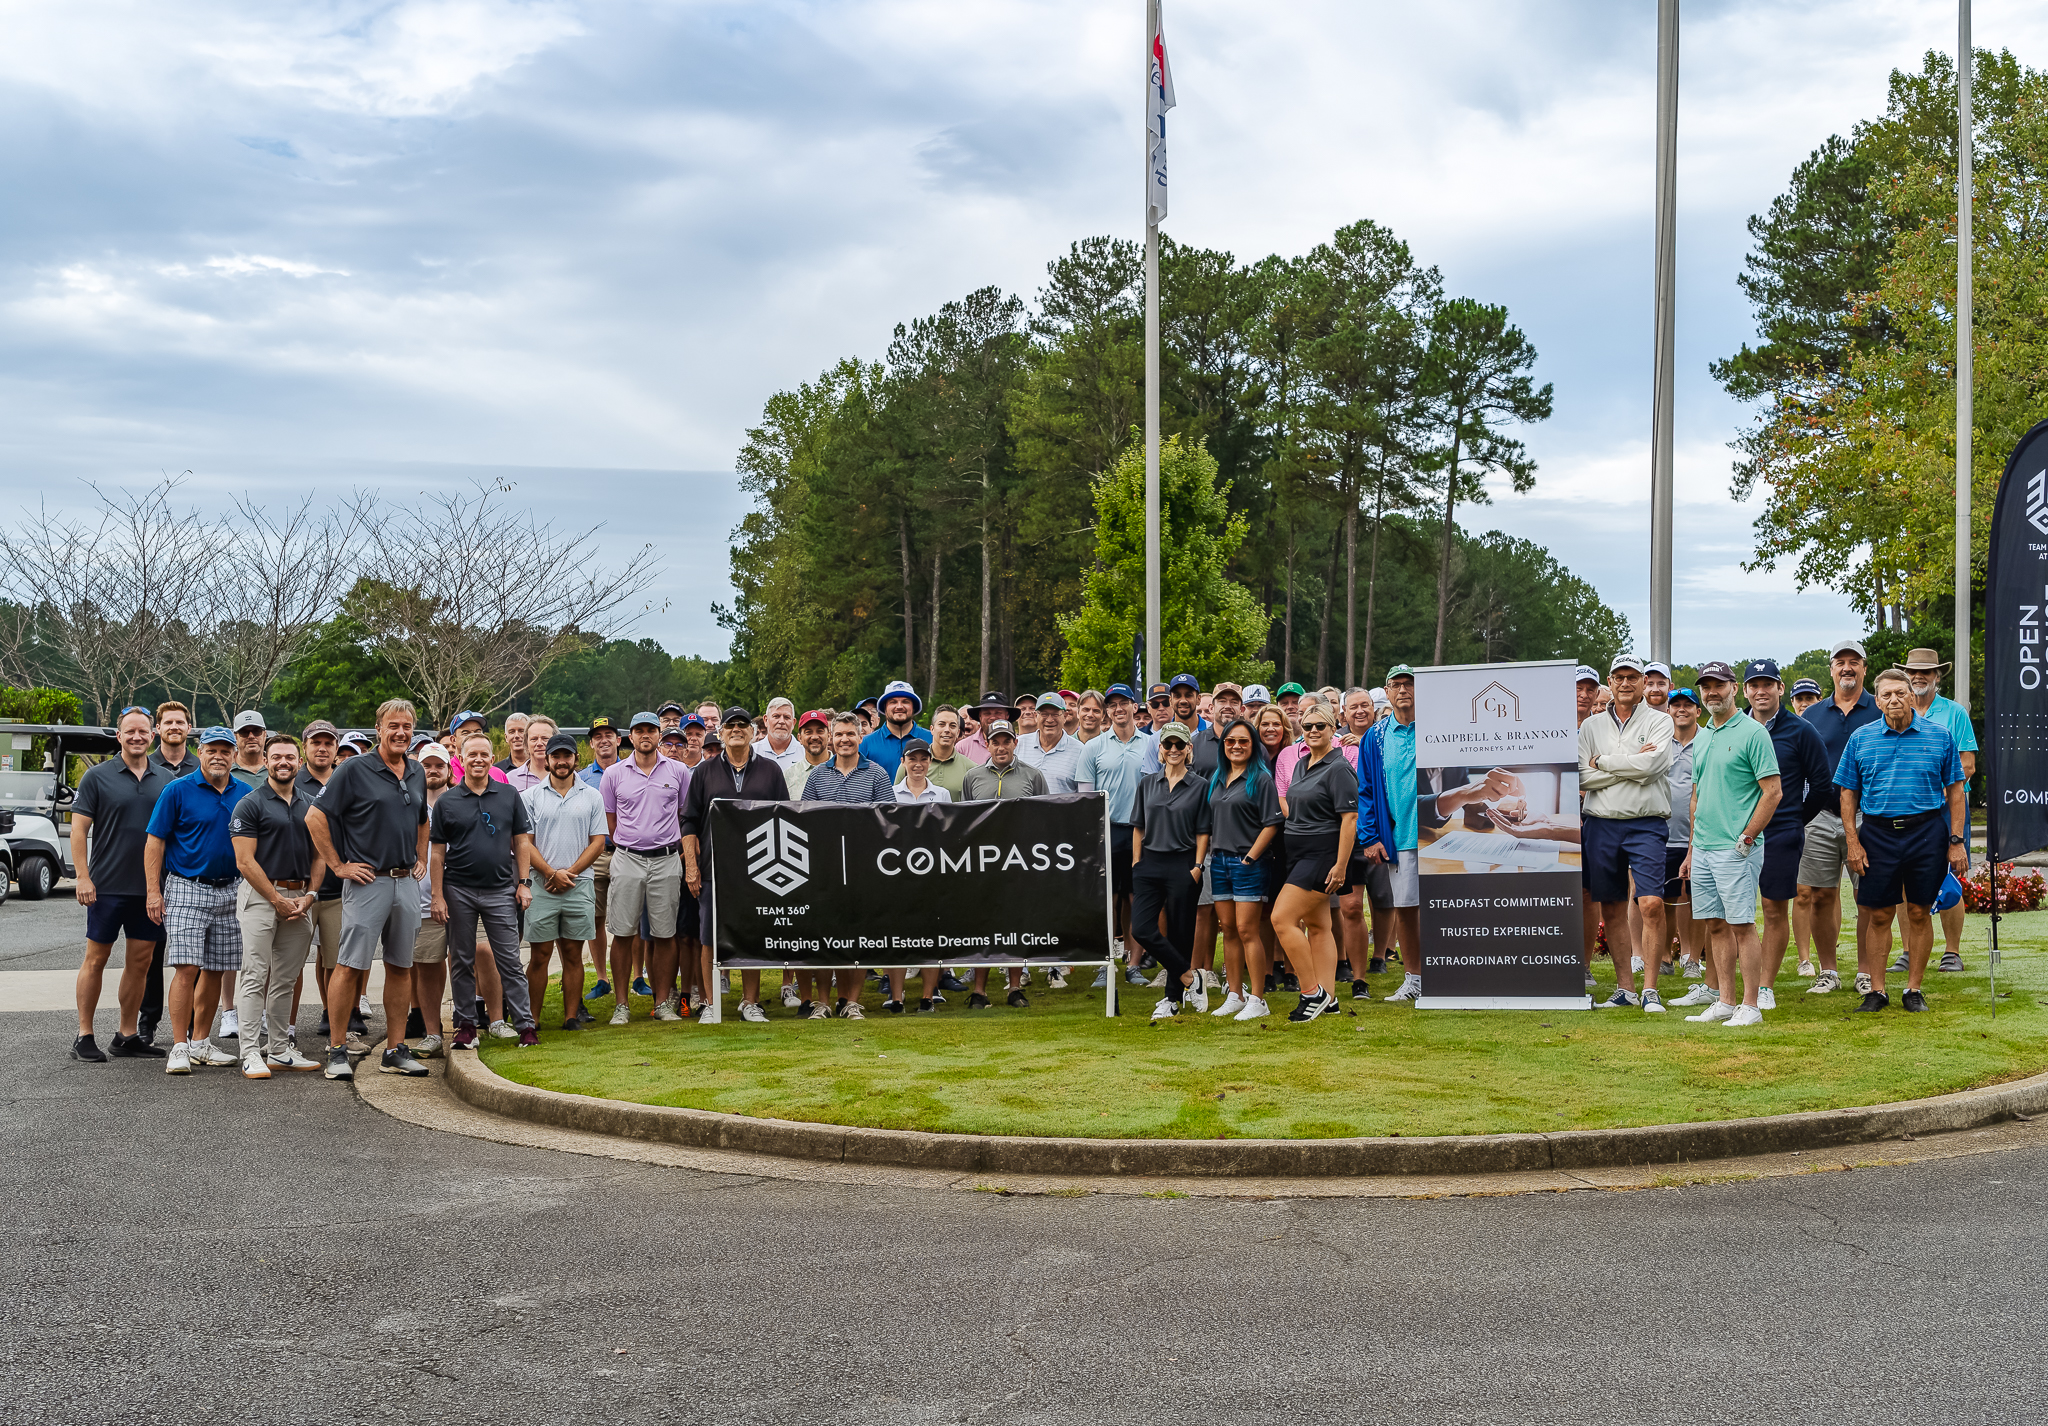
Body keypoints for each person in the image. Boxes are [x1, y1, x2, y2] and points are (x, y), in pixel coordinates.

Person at [303, 699, 431, 1081]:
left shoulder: (417, 770)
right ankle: (338, 1049)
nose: (400, 733)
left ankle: (394, 1049)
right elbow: (314, 817)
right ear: (379, 729)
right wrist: (339, 865)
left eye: (407, 726)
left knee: (401, 966)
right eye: (393, 725)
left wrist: (419, 855)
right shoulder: (355, 769)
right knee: (349, 966)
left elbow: (423, 818)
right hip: (367, 881)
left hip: (406, 881)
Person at [1836, 668, 1969, 1013]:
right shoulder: (1861, 739)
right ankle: (1877, 992)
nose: (1894, 699)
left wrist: (1956, 841)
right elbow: (1848, 793)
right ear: (1877, 700)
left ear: (1911, 696)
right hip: (1877, 833)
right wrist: (1853, 841)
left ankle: (1913, 989)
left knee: (1919, 911)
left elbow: (1956, 792)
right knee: (1879, 914)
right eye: (1886, 695)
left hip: (1927, 832)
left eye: (1900, 693)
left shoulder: (1939, 736)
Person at [1680, 663, 1783, 1027]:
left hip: (1736, 848)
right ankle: (1725, 1001)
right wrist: (1692, 851)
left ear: (1733, 689)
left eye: (1718, 686)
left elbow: (1773, 793)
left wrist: (1747, 838)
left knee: (1742, 925)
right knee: (1715, 925)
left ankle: (1751, 1005)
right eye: (1706, 687)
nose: (1712, 693)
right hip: (1705, 848)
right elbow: (1696, 798)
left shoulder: (1753, 733)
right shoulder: (1703, 734)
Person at [69, 706, 175, 1061]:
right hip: (106, 887)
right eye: (129, 731)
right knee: (96, 959)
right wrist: (82, 877)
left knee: (141, 962)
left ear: (152, 735)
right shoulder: (97, 777)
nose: (136, 737)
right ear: (119, 736)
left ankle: (127, 1035)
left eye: (143, 731)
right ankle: (84, 1035)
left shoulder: (166, 780)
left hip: (150, 890)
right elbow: (79, 831)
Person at [143, 726, 247, 1074]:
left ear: (234, 754)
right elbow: (155, 841)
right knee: (186, 967)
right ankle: (179, 1046)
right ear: (199, 752)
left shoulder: (244, 793)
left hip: (232, 889)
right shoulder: (177, 790)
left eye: (225, 750)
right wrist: (154, 892)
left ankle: (202, 1042)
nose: (218, 756)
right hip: (187, 886)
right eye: (211, 750)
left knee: (217, 968)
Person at [1577, 654, 1674, 1011]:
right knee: (1612, 908)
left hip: (1645, 822)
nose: (1626, 683)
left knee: (1650, 903)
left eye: (1634, 677)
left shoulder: (1660, 722)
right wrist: (1632, 763)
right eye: (1619, 677)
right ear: (1610, 681)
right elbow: (1581, 777)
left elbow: (1652, 768)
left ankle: (1651, 990)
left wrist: (1602, 761)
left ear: (1643, 682)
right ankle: (1626, 990)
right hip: (1601, 823)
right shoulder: (1590, 727)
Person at [681, 707, 790, 1022]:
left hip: (759, 870)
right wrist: (692, 866)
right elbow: (688, 822)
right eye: (731, 725)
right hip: (714, 868)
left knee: (750, 936)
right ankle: (710, 1004)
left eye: (743, 725)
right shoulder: (704, 772)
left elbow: (783, 818)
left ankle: (751, 1002)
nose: (737, 729)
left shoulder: (770, 771)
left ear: (754, 732)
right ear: (721, 733)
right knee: (708, 937)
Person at [432, 732, 538, 1048]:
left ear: (492, 760)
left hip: (500, 890)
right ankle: (465, 1026)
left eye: (484, 755)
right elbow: (437, 852)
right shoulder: (447, 801)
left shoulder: (508, 795)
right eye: (471, 755)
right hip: (458, 890)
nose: (478, 760)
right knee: (461, 959)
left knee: (509, 960)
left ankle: (525, 1026)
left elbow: (521, 841)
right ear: (461, 761)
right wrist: (437, 895)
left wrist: (524, 883)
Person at [229, 733, 325, 1076]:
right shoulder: (250, 803)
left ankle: (280, 1049)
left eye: (290, 757)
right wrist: (275, 899)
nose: (284, 762)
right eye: (277, 757)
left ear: (299, 762)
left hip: (301, 899)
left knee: (286, 979)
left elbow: (320, 856)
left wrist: (310, 896)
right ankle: (251, 1051)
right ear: (266, 761)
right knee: (255, 975)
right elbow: (244, 861)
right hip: (262, 897)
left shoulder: (311, 804)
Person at [1743, 659, 1832, 1007]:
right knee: (1731, 911)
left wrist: (1795, 819)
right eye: (1754, 685)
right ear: (1745, 690)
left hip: (1780, 833)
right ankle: (1724, 989)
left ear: (1781, 688)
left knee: (1773, 908)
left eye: (1768, 684)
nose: (1761, 691)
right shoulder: (1733, 727)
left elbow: (1822, 786)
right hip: (1732, 834)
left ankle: (1765, 987)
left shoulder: (1801, 730)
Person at [1796, 639, 1882, 996]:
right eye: (1840, 662)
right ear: (1830, 669)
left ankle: (1865, 971)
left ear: (1864, 668)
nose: (1847, 668)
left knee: (1868, 897)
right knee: (1819, 896)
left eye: (1854, 662)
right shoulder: (1812, 715)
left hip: (1868, 816)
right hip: (1819, 814)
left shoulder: (1879, 709)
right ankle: (1828, 971)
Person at [601, 711, 689, 1025]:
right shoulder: (614, 774)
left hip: (666, 859)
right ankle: (621, 1005)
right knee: (623, 932)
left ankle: (663, 1002)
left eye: (651, 730)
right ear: (631, 736)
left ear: (658, 734)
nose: (645, 735)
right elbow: (610, 821)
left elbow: (685, 815)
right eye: (639, 730)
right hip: (627, 858)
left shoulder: (679, 771)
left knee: (666, 934)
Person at [1271, 699, 1357, 1021]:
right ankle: (1329, 998)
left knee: (1281, 919)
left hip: (1322, 856)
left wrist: (1341, 864)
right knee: (1319, 926)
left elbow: (1349, 819)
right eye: (1307, 726)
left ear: (1334, 729)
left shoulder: (1339, 767)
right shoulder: (1299, 764)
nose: (1313, 731)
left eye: (1320, 725)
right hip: (1297, 854)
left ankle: (1311, 992)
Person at [1075, 684, 1161, 987]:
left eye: (1124, 703)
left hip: (1143, 832)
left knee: (1140, 899)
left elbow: (1158, 791)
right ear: (1107, 711)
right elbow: (1085, 799)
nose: (1119, 709)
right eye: (1112, 705)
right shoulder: (1093, 747)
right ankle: (1107, 963)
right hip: (1107, 833)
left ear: (1135, 707)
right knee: (1108, 901)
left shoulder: (1151, 743)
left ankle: (1134, 964)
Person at [523, 731, 608, 1032]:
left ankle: (570, 1017)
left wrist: (568, 873)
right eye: (555, 756)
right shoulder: (530, 796)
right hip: (542, 884)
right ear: (546, 760)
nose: (561, 761)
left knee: (573, 953)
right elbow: (525, 842)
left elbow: (598, 841)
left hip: (578, 883)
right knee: (540, 954)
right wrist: (550, 872)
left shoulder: (592, 796)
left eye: (566, 756)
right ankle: (531, 1018)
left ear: (575, 758)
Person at [1902, 647, 1978, 974]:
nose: (1919, 677)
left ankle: (1952, 952)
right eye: (1914, 672)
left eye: (1926, 672)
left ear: (1937, 676)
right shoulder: (1897, 710)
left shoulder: (1954, 713)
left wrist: (1930, 782)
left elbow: (1969, 765)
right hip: (1906, 808)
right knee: (1904, 880)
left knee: (1949, 877)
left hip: (1948, 807)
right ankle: (1907, 952)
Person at [960, 720, 1045, 1008]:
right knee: (984, 924)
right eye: (995, 741)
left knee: (1016, 924)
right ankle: (980, 991)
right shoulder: (972, 777)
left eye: (1006, 741)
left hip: (1019, 863)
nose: (1000, 747)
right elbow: (965, 823)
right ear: (988, 744)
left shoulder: (1033, 776)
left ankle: (1014, 988)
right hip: (983, 864)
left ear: (1014, 743)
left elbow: (1043, 819)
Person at [1131, 723, 1213, 1020]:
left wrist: (1197, 866)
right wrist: (1136, 862)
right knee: (1141, 929)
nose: (1174, 750)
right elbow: (1138, 825)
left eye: (1180, 745)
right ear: (1160, 750)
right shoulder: (1147, 783)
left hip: (1183, 863)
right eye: (1169, 745)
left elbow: (1204, 830)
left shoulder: (1200, 785)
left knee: (1180, 933)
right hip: (1150, 863)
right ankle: (1190, 977)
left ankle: (1172, 999)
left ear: (1189, 749)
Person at [1205, 719, 1282, 1021]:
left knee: (1248, 930)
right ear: (1223, 745)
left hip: (1247, 863)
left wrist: (1250, 856)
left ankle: (1258, 999)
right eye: (1230, 741)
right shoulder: (1218, 777)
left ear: (1253, 745)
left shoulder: (1260, 779)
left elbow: (1272, 823)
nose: (1236, 746)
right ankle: (1235, 994)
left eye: (1243, 741)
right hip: (1219, 862)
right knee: (1229, 930)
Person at [1362, 667, 1422, 1002]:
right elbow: (1367, 789)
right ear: (1386, 691)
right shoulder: (1377, 735)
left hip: (1439, 834)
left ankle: (1449, 971)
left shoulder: (1437, 728)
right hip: (1400, 835)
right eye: (1396, 685)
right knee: (1407, 908)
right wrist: (1370, 836)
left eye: (1409, 684)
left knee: (1447, 906)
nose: (1403, 690)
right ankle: (1414, 977)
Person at [1658, 690, 1715, 1004]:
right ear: (1668, 710)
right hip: (1662, 833)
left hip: (1699, 834)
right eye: (1676, 705)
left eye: (1687, 705)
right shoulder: (1658, 740)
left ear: (1697, 710)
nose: (1682, 710)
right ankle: (1665, 958)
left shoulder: (1708, 740)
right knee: (1663, 900)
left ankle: (1692, 958)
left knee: (1695, 900)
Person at [578, 715, 623, 1006]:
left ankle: (636, 978)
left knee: (630, 919)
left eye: (609, 735)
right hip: (595, 854)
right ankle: (602, 978)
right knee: (595, 918)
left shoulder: (631, 770)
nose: (604, 740)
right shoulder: (581, 778)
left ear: (619, 740)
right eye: (598, 736)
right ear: (591, 743)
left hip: (626, 852)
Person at [858, 680, 929, 778]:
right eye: (893, 702)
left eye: (905, 701)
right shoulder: (865, 743)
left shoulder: (931, 739)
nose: (899, 706)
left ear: (914, 707)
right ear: (884, 707)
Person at [897, 704, 970, 799]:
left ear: (958, 732)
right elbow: (896, 798)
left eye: (952, 726)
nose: (947, 730)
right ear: (932, 729)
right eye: (941, 724)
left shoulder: (969, 768)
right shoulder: (910, 764)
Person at [1017, 692, 1085, 794]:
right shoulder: (1018, 744)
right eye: (1044, 714)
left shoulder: (1079, 750)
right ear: (1036, 716)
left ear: (1064, 717)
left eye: (1055, 714)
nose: (1049, 719)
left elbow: (1083, 796)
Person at [505, 714, 555, 790]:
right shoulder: (510, 779)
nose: (539, 743)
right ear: (526, 744)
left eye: (545, 738)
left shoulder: (569, 776)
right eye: (534, 739)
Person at [150, 701, 197, 778]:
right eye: (168, 722)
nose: (174, 727)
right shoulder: (144, 766)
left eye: (179, 722)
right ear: (158, 728)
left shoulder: (202, 768)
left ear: (189, 728)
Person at [228, 711, 269, 789]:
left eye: (256, 731)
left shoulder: (277, 767)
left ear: (264, 735)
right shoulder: (226, 770)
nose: (251, 736)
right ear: (235, 737)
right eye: (244, 732)